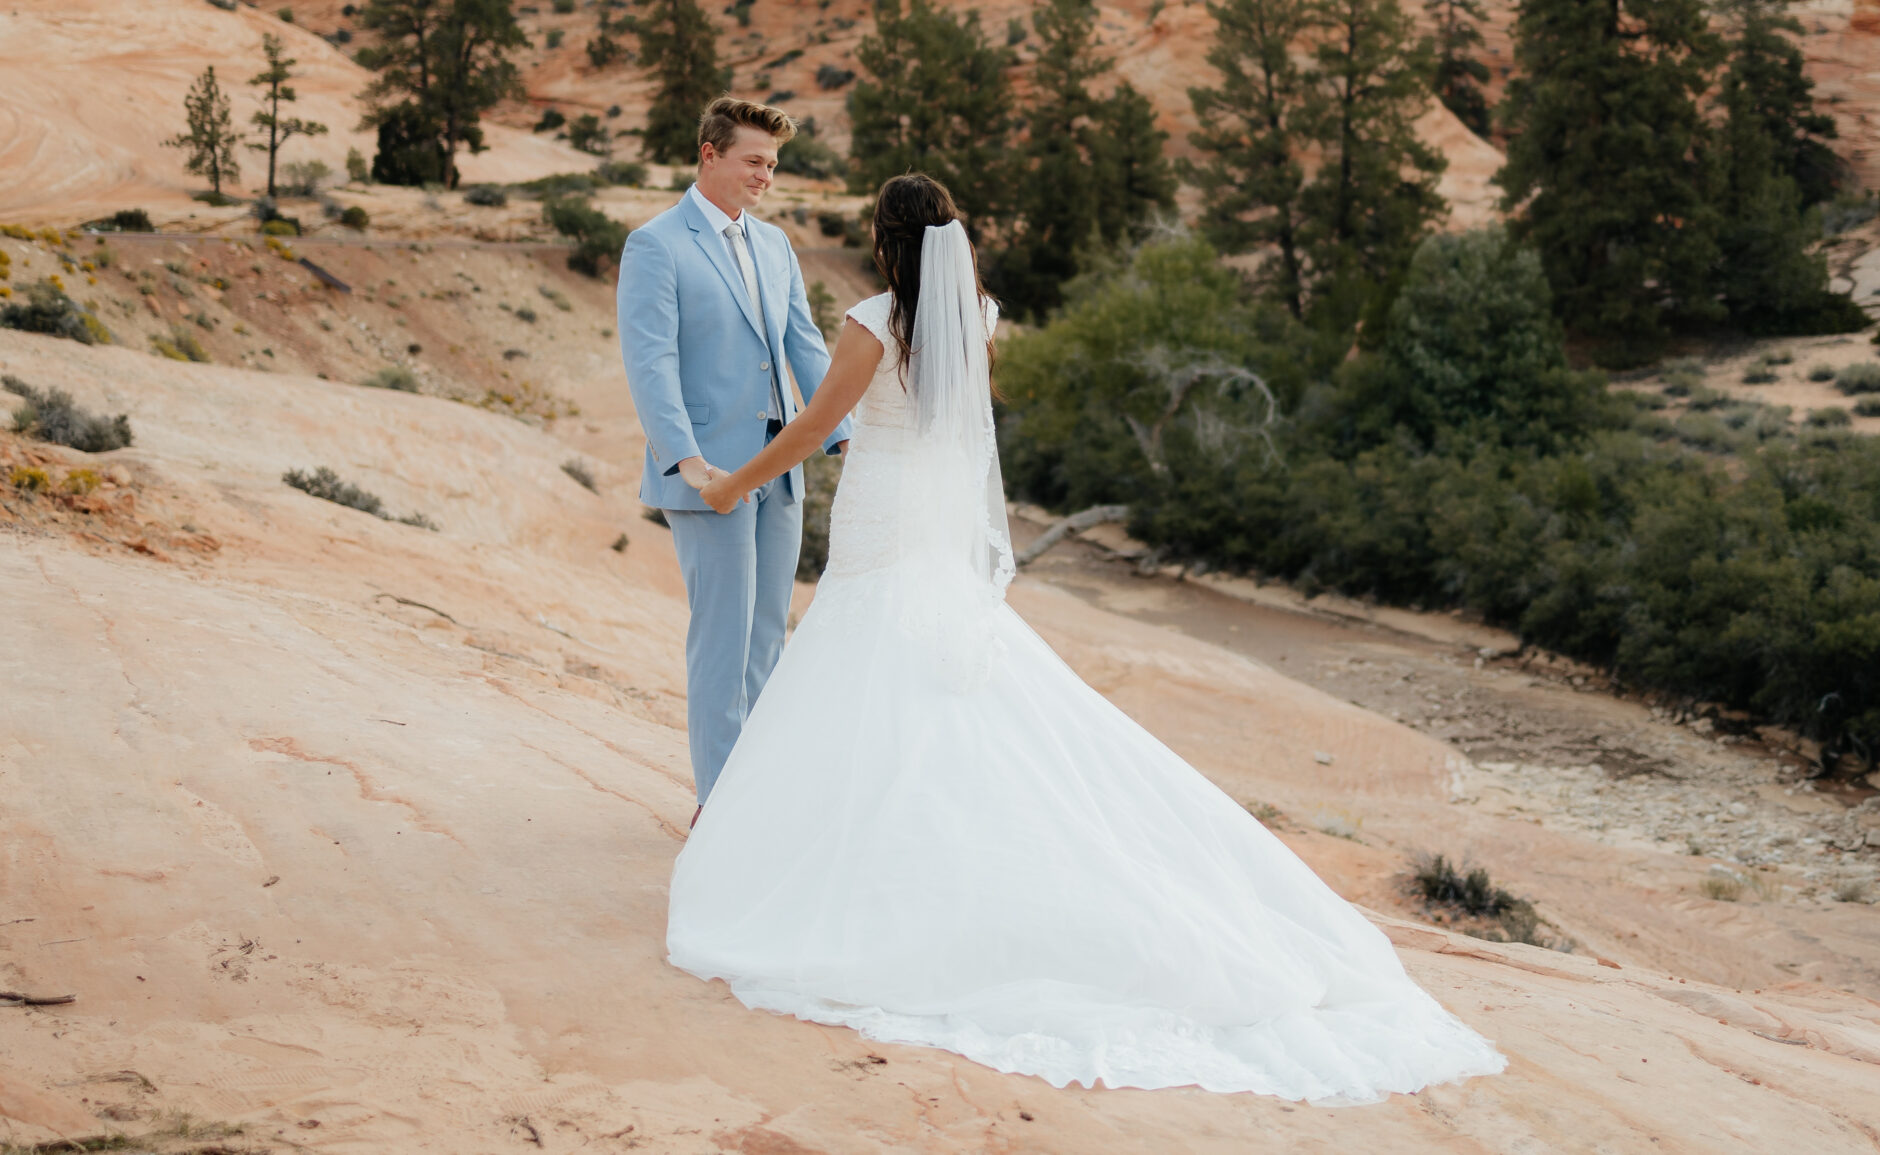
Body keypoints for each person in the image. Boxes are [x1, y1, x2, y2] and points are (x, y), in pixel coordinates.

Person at [664, 174, 1506, 1103]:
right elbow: (956, 428)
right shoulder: (976, 315)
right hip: (928, 529)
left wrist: (731, 483)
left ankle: (850, 868)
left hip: (878, 520)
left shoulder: (871, 322)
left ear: (883, 237)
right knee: (930, 685)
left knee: (864, 675)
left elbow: (823, 425)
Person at [616, 97, 848, 813]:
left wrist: (845, 439)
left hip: (780, 474)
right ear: (709, 155)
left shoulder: (776, 245)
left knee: (765, 642)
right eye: (754, 160)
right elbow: (649, 364)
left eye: (773, 165)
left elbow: (805, 345)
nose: (765, 176)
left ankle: (755, 800)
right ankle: (720, 815)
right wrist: (687, 463)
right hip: (710, 474)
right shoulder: (656, 244)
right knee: (720, 645)